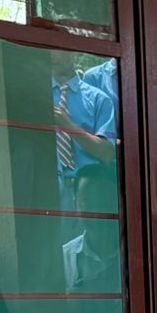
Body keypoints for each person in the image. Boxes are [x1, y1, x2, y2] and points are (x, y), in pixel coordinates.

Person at [50, 51, 118, 213]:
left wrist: (68, 126)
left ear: (72, 51)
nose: (52, 55)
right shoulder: (36, 97)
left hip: (88, 192)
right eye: (46, 50)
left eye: (56, 50)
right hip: (47, 190)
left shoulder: (99, 100)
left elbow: (107, 152)